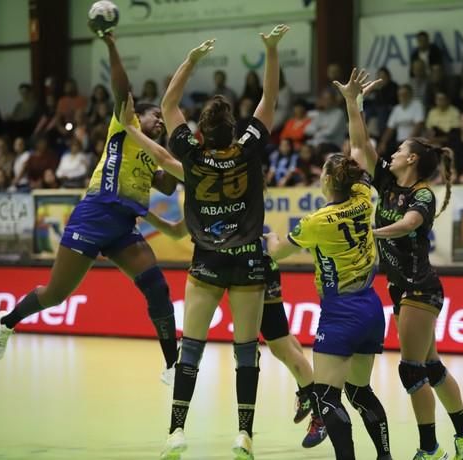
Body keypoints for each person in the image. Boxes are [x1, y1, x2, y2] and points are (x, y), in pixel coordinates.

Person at [0, 31, 182, 426]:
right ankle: (6, 323)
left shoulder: (152, 158)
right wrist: (111, 45)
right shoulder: (124, 125)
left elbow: (170, 183)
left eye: (161, 118)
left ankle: (172, 364)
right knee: (56, 294)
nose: (158, 121)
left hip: (125, 227)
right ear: (136, 115)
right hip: (94, 215)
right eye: (154, 116)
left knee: (157, 288)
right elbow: (122, 88)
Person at [153, 25, 289, 459]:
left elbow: (168, 104)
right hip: (248, 263)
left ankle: (176, 431)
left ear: (202, 131)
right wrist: (270, 51)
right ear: (234, 129)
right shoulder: (247, 149)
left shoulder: (190, 155)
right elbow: (269, 101)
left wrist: (190, 61)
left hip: (207, 262)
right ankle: (244, 435)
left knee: (190, 349)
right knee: (245, 353)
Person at [339, 68, 463, 460]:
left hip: (421, 287)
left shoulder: (422, 195)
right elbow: (360, 145)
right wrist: (354, 103)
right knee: (431, 366)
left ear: (412, 159)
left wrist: (373, 234)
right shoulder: (388, 183)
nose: (392, 154)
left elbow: (408, 225)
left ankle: (430, 448)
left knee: (411, 369)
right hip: (403, 289)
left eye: (399, 150)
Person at [144, 211, 328, 448]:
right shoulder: (229, 188)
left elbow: (176, 230)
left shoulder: (214, 186)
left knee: (276, 345)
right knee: (280, 342)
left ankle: (319, 408)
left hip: (244, 264)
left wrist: (143, 211)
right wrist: (145, 213)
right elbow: (178, 229)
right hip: (256, 259)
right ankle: (312, 398)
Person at [265, 151, 392, 460]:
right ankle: (385, 456)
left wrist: (271, 237)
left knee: (326, 398)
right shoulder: (364, 197)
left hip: (341, 313)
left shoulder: (317, 221)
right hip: (372, 307)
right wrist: (353, 106)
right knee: (360, 392)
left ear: (326, 180)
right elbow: (360, 151)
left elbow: (278, 253)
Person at [378, 84, 425, 156]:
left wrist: (408, 142)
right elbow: (390, 129)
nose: (402, 97)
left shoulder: (417, 105)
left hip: (414, 141)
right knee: (383, 151)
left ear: (410, 95)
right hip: (399, 142)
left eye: (405, 94)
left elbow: (419, 125)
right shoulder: (396, 109)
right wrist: (383, 143)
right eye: (400, 95)